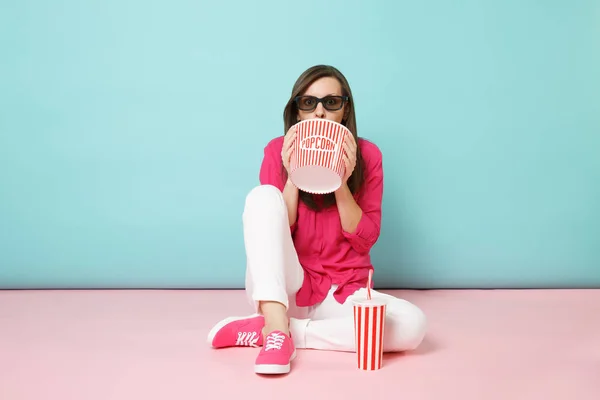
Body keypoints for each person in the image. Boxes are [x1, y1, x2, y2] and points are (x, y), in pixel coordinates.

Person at [207, 65, 427, 375]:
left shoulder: (369, 156)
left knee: (412, 326)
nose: (320, 112)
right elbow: (276, 232)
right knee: (261, 198)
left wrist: (340, 178)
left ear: (344, 110)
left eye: (331, 102)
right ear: (297, 112)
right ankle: (276, 318)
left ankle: (278, 332)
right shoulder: (275, 151)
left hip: (343, 293)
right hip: (287, 288)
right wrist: (296, 171)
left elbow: (365, 238)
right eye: (308, 103)